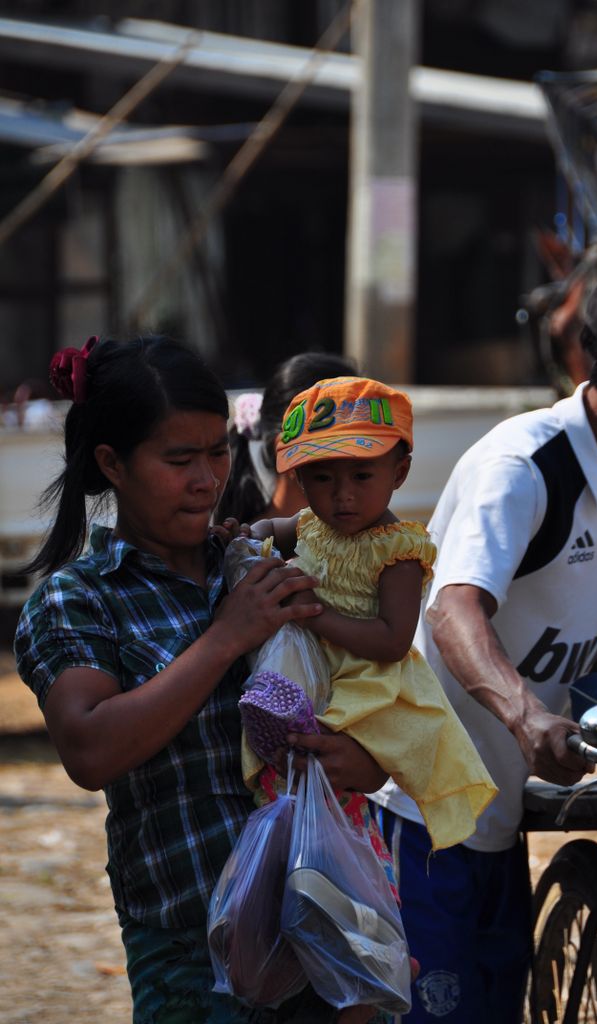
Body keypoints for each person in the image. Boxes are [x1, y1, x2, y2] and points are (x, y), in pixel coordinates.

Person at [14, 334, 391, 1024]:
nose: (207, 479)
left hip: (332, 930)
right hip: (196, 957)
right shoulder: (81, 599)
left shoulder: (266, 564)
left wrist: (362, 758)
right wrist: (224, 639)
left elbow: (379, 701)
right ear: (112, 463)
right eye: (178, 459)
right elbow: (89, 750)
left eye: (218, 452)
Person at [369, 243, 597, 1023]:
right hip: (419, 808)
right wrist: (526, 714)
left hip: (496, 810)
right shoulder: (523, 465)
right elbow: (453, 608)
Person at [243, 376, 497, 854]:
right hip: (313, 663)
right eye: (323, 478)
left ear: (399, 473)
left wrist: (312, 616)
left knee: (327, 762)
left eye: (362, 477)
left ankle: (333, 841)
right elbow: (273, 527)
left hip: (367, 680)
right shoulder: (311, 525)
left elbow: (392, 641)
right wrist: (244, 535)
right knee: (284, 752)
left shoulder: (397, 551)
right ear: (299, 479)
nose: (343, 496)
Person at [218, 351, 358, 525]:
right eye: (343, 443)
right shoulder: (249, 541)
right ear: (290, 454)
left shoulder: (372, 538)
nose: (365, 454)